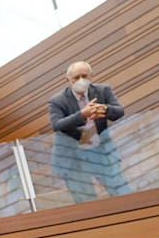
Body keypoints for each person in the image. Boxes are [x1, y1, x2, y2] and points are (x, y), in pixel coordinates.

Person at [48, 60, 131, 204]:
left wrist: (105, 109)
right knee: (86, 202)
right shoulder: (57, 101)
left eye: (84, 76)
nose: (81, 80)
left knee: (121, 192)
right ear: (68, 80)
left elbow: (119, 111)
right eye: (76, 77)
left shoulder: (103, 90)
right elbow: (57, 125)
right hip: (74, 158)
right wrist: (82, 114)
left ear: (91, 76)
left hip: (101, 152)